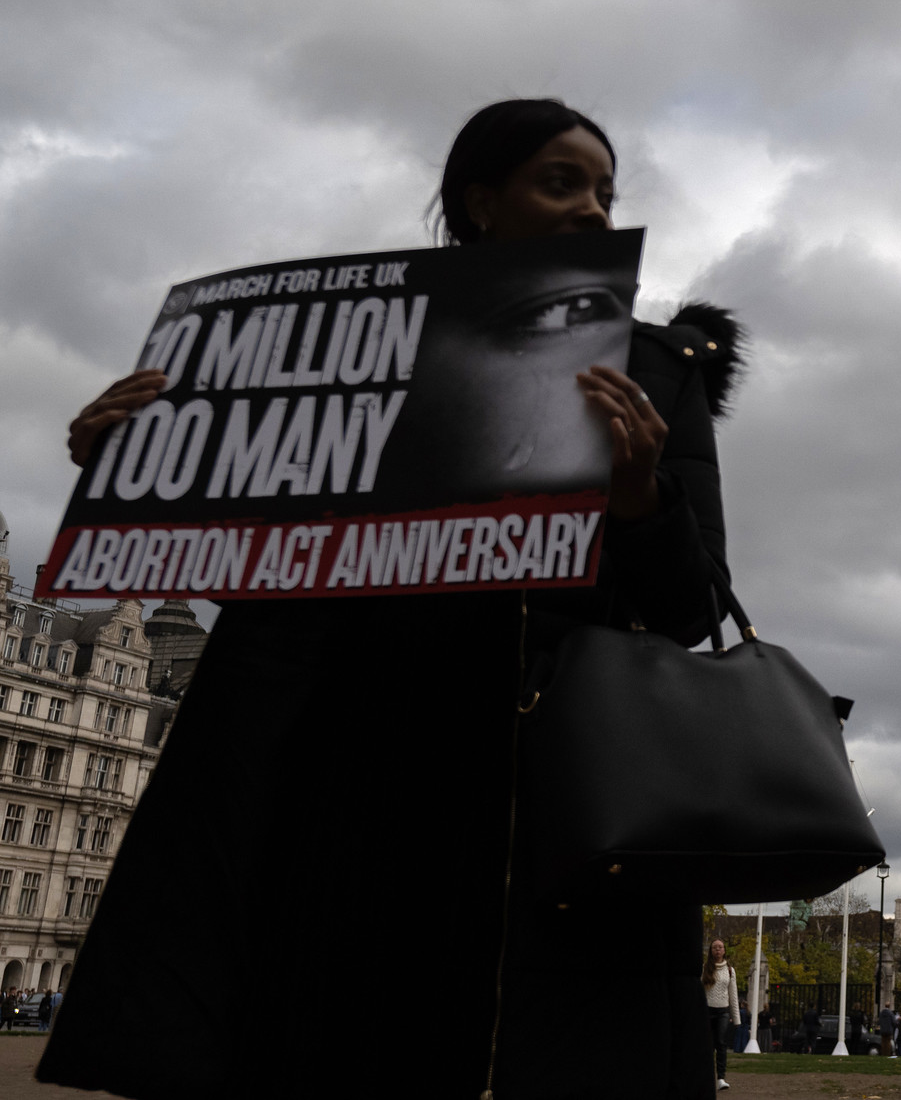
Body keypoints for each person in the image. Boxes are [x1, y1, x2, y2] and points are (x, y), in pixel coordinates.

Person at [39, 99, 746, 1100]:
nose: (592, 208)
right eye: (561, 182)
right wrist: (141, 474)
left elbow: (692, 608)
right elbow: (269, 586)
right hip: (355, 804)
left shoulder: (654, 375)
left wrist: (638, 498)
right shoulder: (329, 359)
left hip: (548, 819)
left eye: (605, 191)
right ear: (480, 202)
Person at [704, 938, 741, 1090]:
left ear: (724, 950)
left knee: (721, 1043)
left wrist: (737, 1019)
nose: (718, 950)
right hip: (707, 1011)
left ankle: (721, 1078)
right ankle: (706, 1078)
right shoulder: (705, 968)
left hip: (723, 1012)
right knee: (707, 1045)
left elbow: (733, 995)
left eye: (720, 947)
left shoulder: (730, 971)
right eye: (714, 947)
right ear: (711, 951)